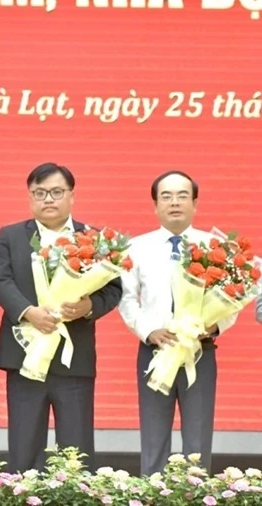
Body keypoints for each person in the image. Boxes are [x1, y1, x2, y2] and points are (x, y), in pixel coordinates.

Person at [0, 162, 122, 473]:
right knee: (23, 448)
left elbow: (113, 289)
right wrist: (29, 312)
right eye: (39, 193)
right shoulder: (11, 236)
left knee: (76, 453)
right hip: (24, 357)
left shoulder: (94, 238)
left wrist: (88, 307)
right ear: (30, 197)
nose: (48, 199)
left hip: (72, 358)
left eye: (56, 192)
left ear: (71, 195)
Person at [118, 170, 237, 475]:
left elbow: (233, 295)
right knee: (154, 434)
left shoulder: (215, 246)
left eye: (182, 195)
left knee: (198, 435)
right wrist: (148, 332)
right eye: (166, 196)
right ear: (155, 205)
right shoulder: (136, 247)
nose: (175, 202)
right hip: (155, 351)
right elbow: (127, 298)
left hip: (200, 350)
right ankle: (152, 494)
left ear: (195, 203)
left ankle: (196, 494)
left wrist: (214, 326)